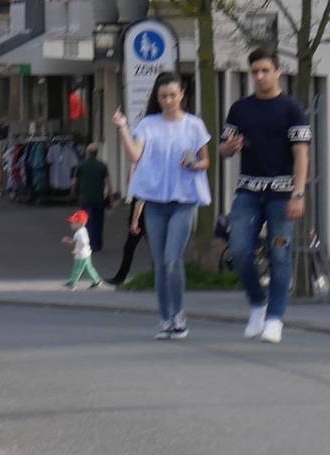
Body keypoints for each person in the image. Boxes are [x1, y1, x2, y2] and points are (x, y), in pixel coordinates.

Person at [217, 49, 311, 345]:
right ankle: (258, 303)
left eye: (264, 71)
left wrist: (298, 193)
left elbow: (301, 155)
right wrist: (229, 148)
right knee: (240, 248)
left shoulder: (292, 110)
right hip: (248, 191)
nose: (258, 77)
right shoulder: (240, 109)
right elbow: (222, 150)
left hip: (283, 194)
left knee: (280, 254)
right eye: (254, 72)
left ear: (277, 72)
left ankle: (275, 318)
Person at [115, 72, 210, 340]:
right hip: (155, 201)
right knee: (159, 262)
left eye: (172, 95)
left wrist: (193, 164)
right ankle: (165, 319)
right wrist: (122, 127)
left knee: (172, 259)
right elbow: (135, 154)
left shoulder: (194, 125)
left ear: (182, 95)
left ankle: (179, 314)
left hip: (183, 200)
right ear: (157, 99)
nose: (167, 100)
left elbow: (206, 161)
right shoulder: (148, 123)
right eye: (162, 96)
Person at [70, 138, 111, 257]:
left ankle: (87, 244)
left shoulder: (81, 166)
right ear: (97, 153)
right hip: (99, 198)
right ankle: (97, 244)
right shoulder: (102, 165)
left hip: (85, 198)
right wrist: (109, 196)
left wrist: (72, 194)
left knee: (86, 221)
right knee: (99, 221)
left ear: (87, 153)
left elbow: (74, 182)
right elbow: (108, 183)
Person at [107, 197, 148, 286]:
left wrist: (134, 222)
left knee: (129, 249)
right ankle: (119, 278)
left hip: (141, 222)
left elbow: (140, 202)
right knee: (129, 249)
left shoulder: (140, 183)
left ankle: (119, 278)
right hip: (146, 220)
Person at [60, 210, 105, 289]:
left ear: (80, 223)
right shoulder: (82, 230)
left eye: (73, 222)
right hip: (86, 254)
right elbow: (76, 242)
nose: (71, 224)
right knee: (89, 268)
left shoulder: (79, 233)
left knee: (77, 269)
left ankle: (72, 283)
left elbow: (83, 242)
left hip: (82, 255)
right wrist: (68, 240)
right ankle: (97, 280)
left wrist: (76, 250)